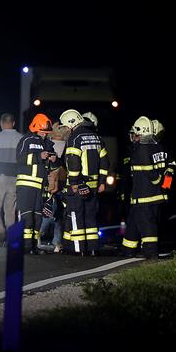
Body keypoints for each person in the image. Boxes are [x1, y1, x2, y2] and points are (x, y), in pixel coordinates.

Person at [60, 109, 109, 256]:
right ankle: (93, 248)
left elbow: (73, 164)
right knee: (91, 216)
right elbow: (105, 162)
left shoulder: (75, 138)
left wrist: (75, 182)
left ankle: (79, 249)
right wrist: (101, 182)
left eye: (66, 127)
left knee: (76, 216)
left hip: (79, 186)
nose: (66, 130)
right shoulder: (97, 137)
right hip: (94, 185)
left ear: (71, 124)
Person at [123, 116, 168, 260]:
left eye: (136, 134)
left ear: (142, 133)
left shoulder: (142, 150)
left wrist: (158, 181)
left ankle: (150, 252)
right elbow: (169, 167)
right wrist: (164, 185)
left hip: (145, 196)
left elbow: (151, 173)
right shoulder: (158, 147)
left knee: (148, 225)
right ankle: (128, 250)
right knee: (134, 223)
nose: (133, 137)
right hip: (147, 196)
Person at [16, 113, 55, 254]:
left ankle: (33, 245)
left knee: (38, 217)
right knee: (27, 216)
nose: (45, 135)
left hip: (40, 186)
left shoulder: (47, 143)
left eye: (47, 133)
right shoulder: (26, 140)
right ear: (36, 128)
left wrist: (53, 159)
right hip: (26, 185)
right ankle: (26, 246)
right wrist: (39, 156)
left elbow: (54, 165)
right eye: (43, 132)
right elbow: (19, 159)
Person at [0, 113, 23, 246]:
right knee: (10, 210)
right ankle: (11, 236)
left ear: (1, 123)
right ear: (13, 123)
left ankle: (0, 231)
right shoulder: (21, 138)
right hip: (15, 179)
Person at [39, 122, 68, 252]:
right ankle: (56, 241)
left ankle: (41, 236)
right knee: (56, 214)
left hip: (49, 183)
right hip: (60, 183)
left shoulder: (48, 143)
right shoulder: (66, 145)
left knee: (49, 211)